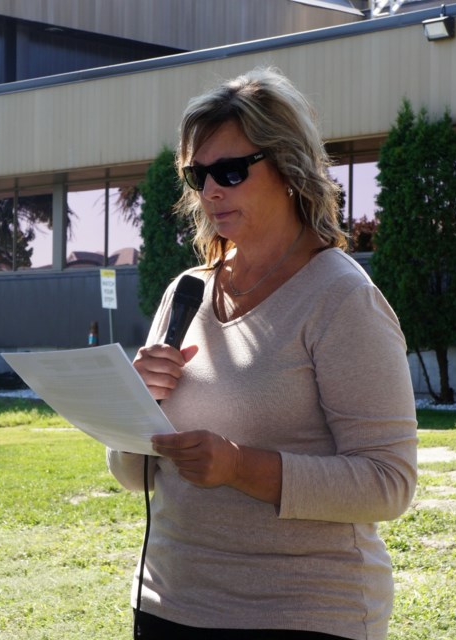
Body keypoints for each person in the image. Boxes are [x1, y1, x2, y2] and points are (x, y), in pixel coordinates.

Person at [107, 67, 417, 640]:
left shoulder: (342, 300)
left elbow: (387, 482)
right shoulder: (186, 291)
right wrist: (134, 407)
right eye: (197, 175)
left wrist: (238, 467)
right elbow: (135, 475)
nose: (210, 191)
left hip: (302, 615)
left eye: (229, 171)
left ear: (289, 168)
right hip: (169, 604)